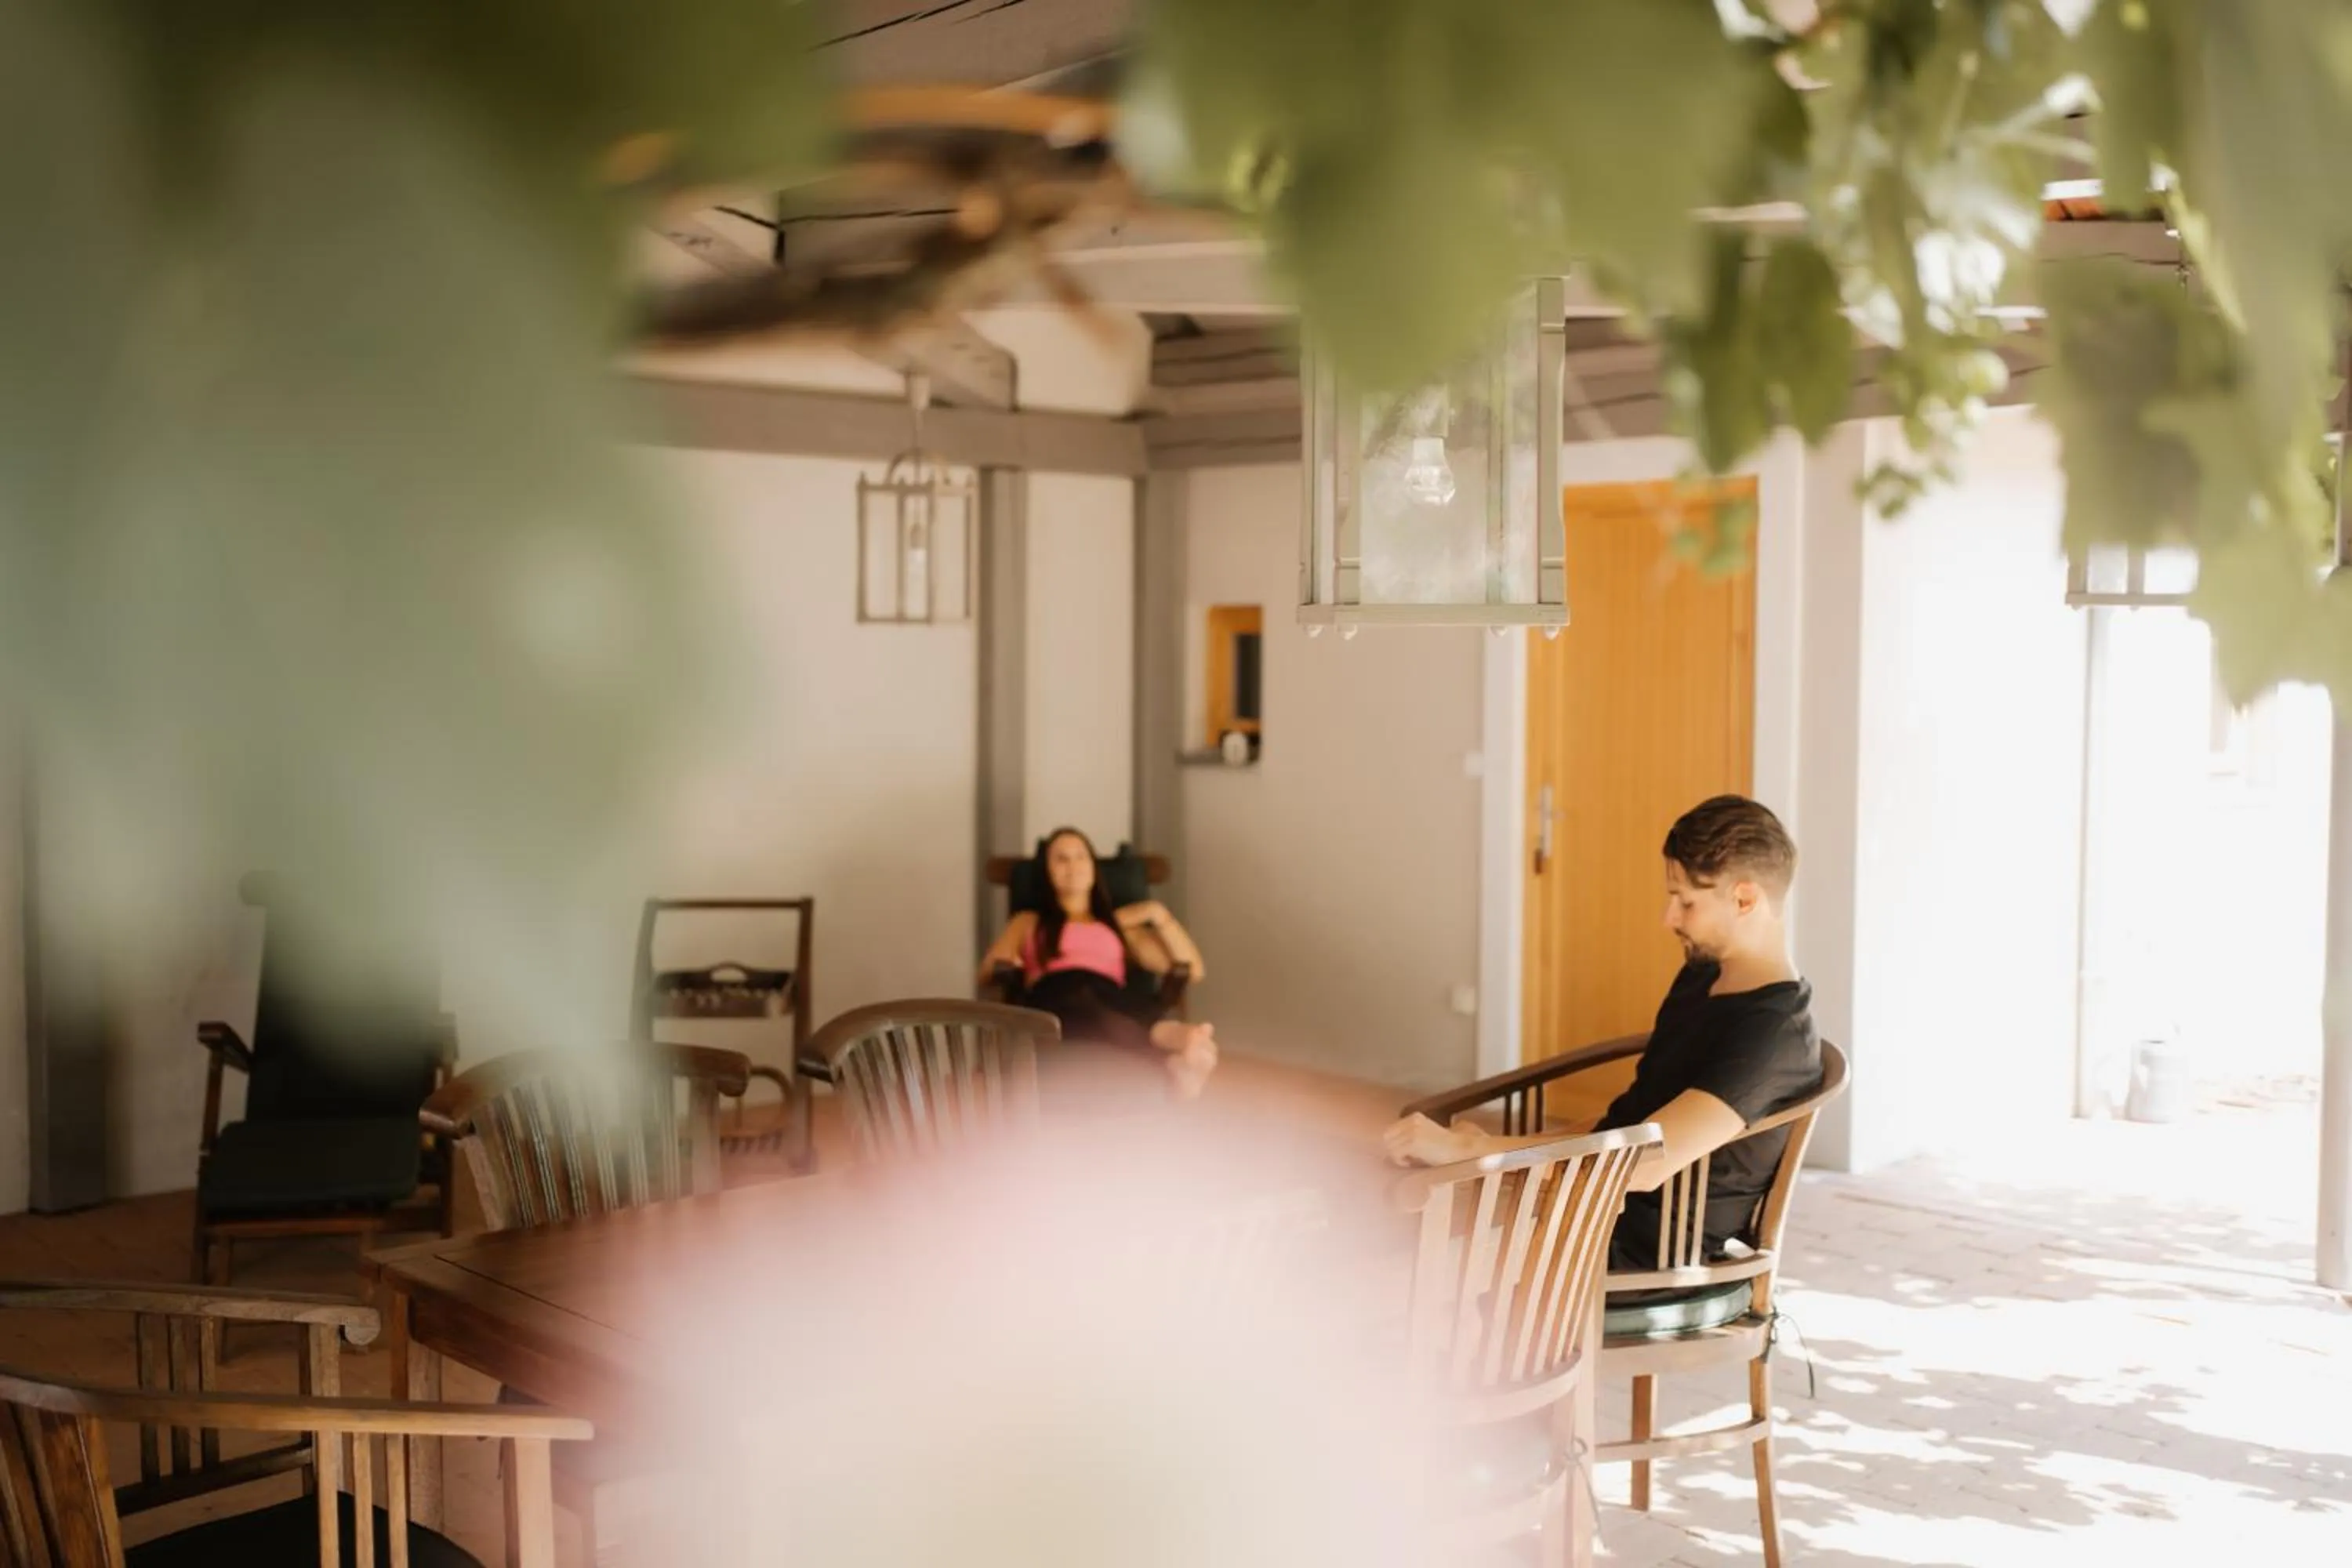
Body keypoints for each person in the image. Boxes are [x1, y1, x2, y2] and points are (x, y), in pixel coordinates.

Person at [1384, 795, 1821, 1270]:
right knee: (1378, 1199)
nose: (1668, 918)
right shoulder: (1704, 974)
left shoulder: (1773, 1036)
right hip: (1587, 1206)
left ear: (1744, 899)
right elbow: (1623, 1124)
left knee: (1393, 1246)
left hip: (1633, 1254)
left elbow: (1645, 1163)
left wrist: (1474, 1152)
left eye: (1686, 901)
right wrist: (1494, 1152)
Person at [979, 827, 1221, 1099]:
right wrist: (1007, 961)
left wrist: (1157, 913)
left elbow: (1193, 969)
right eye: (1061, 858)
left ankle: (1181, 1046)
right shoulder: (1028, 921)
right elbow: (988, 971)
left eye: (1081, 856)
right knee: (1082, 989)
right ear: (1047, 872)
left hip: (1113, 997)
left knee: (1099, 994)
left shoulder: (1116, 929)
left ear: (1094, 868)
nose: (1073, 865)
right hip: (1051, 1000)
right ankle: (1174, 1044)